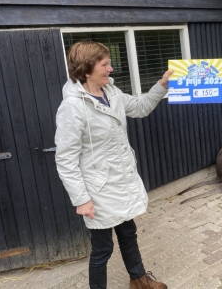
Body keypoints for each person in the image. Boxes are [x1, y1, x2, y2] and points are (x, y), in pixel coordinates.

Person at [55, 41, 172, 289]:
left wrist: (162, 85)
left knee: (129, 234)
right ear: (87, 70)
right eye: (105, 64)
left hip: (121, 180)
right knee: (102, 250)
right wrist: (81, 199)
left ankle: (139, 280)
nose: (111, 69)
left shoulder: (113, 93)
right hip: (97, 191)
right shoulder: (73, 107)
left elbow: (140, 108)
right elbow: (65, 159)